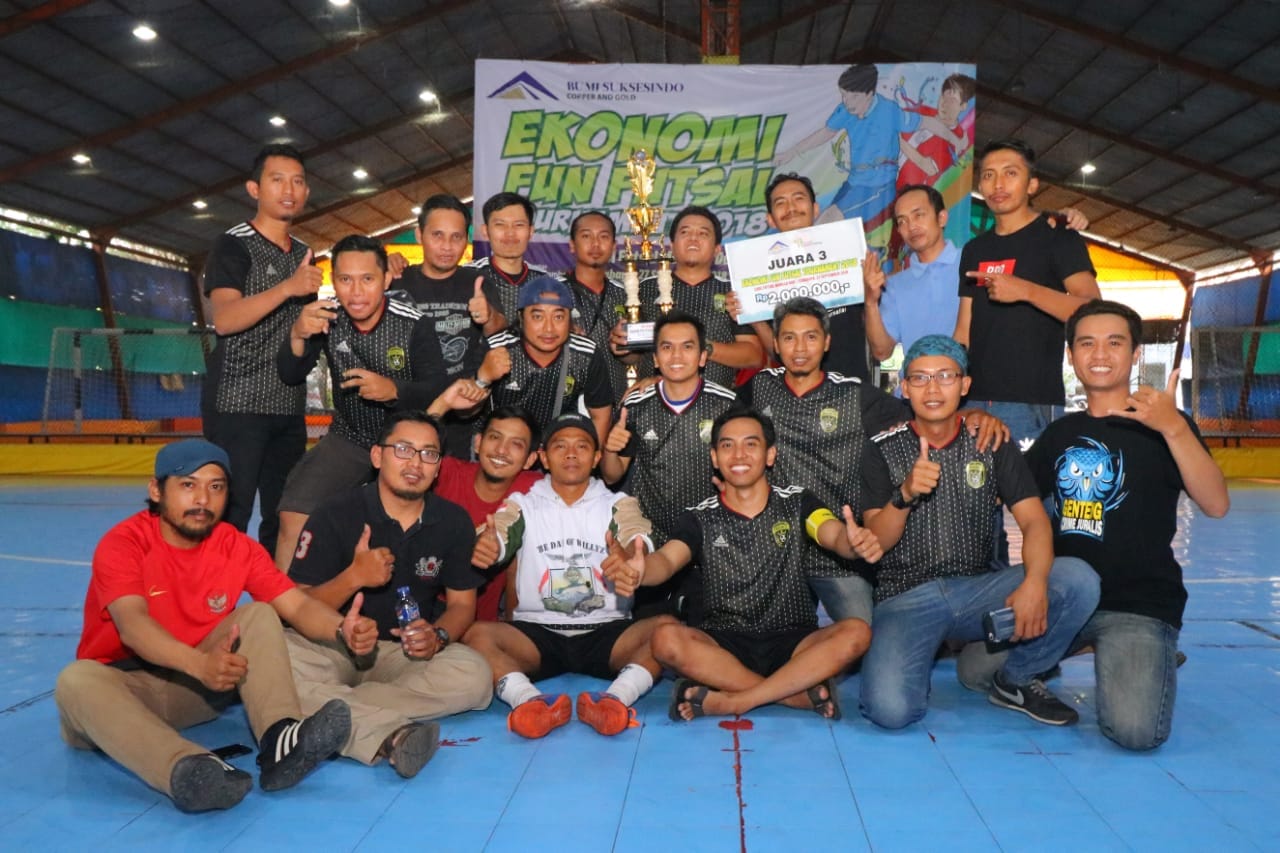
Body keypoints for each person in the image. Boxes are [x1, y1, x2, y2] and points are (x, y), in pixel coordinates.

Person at [54, 440, 378, 812]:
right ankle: (188, 768)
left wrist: (343, 629)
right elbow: (133, 626)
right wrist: (199, 664)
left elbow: (297, 604)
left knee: (258, 615)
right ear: (157, 490)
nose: (203, 499)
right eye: (188, 485)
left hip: (195, 693)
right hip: (120, 694)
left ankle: (280, 739)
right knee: (75, 680)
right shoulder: (123, 544)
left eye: (216, 487)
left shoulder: (236, 547)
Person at [961, 301, 1229, 749]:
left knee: (1134, 732)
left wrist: (1174, 429)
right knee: (974, 671)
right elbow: (1001, 494)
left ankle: (1138, 647)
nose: (1099, 353)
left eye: (1114, 342)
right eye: (1086, 343)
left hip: (1137, 604)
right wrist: (973, 418)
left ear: (1135, 354)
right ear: (1071, 356)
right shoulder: (1059, 435)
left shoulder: (1167, 426)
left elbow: (1216, 504)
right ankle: (1082, 643)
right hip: (1064, 600)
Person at [857, 335, 1099, 729]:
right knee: (891, 711)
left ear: (965, 385)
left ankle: (1016, 676)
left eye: (945, 377)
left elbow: (1035, 521)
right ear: (903, 387)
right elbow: (876, 542)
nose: (932, 389)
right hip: (906, 598)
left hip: (978, 592)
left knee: (1077, 578)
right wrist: (904, 495)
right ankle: (972, 659)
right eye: (919, 378)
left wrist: (1035, 581)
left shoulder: (992, 442)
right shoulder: (880, 449)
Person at [616, 407, 880, 721]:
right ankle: (792, 696)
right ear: (714, 457)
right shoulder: (699, 516)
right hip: (723, 644)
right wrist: (642, 570)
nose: (739, 454)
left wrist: (852, 543)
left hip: (794, 641)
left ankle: (736, 700)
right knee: (665, 639)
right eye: (727, 445)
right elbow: (668, 559)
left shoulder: (798, 503)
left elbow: (831, 533)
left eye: (751, 444)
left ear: (770, 455)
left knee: (858, 631)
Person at [285, 412, 494, 778]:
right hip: (331, 645)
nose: (415, 463)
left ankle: (331, 710)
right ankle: (386, 729)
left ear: (438, 467)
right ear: (378, 457)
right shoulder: (335, 513)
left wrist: (438, 636)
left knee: (474, 676)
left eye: (428, 454)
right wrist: (353, 577)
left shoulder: (453, 521)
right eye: (403, 450)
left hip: (403, 656)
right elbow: (297, 607)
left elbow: (462, 606)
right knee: (281, 658)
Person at [463, 413, 670, 738]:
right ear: (544, 457)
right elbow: (499, 530)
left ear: (597, 457)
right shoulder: (523, 504)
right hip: (537, 633)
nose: (571, 454)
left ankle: (613, 700)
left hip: (608, 631)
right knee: (477, 635)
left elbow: (635, 531)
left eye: (582, 446)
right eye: (560, 446)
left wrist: (632, 555)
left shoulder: (618, 503)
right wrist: (488, 543)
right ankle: (531, 702)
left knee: (666, 630)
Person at [274, 234, 451, 569]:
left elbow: (438, 386)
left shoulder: (413, 323)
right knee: (294, 512)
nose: (356, 292)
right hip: (350, 438)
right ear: (333, 281)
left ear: (385, 279)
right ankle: (286, 610)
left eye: (367, 279)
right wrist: (297, 334)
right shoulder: (327, 319)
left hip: (406, 444)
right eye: (345, 280)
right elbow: (291, 373)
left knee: (411, 531)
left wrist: (394, 390)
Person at [201, 144, 318, 554]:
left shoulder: (305, 252)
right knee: (230, 514)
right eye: (277, 179)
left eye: (298, 181)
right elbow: (225, 319)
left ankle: (273, 611)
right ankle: (213, 608)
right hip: (238, 403)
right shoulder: (232, 244)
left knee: (284, 515)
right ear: (254, 188)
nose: (290, 189)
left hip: (287, 407)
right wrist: (288, 288)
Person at [955, 139, 1102, 446]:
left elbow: (1094, 313)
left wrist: (1026, 291)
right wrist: (951, 386)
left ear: (1032, 184)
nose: (998, 184)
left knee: (1033, 493)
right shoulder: (974, 249)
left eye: (1010, 173)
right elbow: (964, 330)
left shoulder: (1059, 238)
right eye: (988, 174)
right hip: (974, 402)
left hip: (1032, 401)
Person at [600, 311, 738, 614]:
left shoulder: (727, 406)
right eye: (666, 347)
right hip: (653, 541)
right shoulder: (635, 406)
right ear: (656, 358)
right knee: (650, 637)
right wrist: (610, 450)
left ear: (703, 357)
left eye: (687, 347)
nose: (676, 355)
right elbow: (612, 477)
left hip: (711, 543)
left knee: (709, 640)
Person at [391, 193, 506, 454]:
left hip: (462, 414)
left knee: (452, 491)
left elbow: (501, 331)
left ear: (466, 240)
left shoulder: (476, 281)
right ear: (419, 236)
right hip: (406, 410)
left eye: (456, 237)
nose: (446, 246)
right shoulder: (397, 280)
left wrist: (488, 314)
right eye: (437, 235)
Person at [730, 173, 871, 381]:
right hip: (795, 394)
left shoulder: (848, 251)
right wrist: (753, 317)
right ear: (770, 219)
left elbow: (876, 335)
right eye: (781, 203)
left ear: (815, 209)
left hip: (852, 384)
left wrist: (871, 293)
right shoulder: (756, 272)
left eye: (798, 198)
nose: (791, 208)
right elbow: (775, 351)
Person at [621, 206, 762, 389]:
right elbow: (633, 355)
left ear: (717, 249)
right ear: (671, 245)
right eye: (685, 232)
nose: (693, 238)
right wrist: (621, 345)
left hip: (717, 402)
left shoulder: (732, 293)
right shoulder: (644, 289)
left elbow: (753, 356)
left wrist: (701, 347)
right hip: (654, 400)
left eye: (703, 234)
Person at [429, 405, 542, 621]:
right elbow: (408, 448)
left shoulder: (534, 488)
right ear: (478, 443)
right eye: (495, 437)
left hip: (479, 623)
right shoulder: (447, 472)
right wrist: (443, 402)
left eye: (516, 444)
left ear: (530, 460)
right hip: (421, 604)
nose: (501, 450)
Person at [775, 64, 920, 227]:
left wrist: (954, 139)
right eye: (844, 96)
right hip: (853, 182)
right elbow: (826, 133)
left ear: (869, 94)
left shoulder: (889, 110)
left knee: (827, 223)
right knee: (828, 225)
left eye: (853, 97)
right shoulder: (845, 110)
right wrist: (791, 152)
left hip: (879, 186)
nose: (847, 102)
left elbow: (925, 123)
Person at [483, 276, 614, 442]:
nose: (549, 328)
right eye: (538, 317)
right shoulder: (497, 349)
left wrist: (591, 460)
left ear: (570, 321)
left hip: (556, 451)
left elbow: (601, 415)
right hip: (504, 446)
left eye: (558, 317)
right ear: (521, 318)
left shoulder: (586, 353)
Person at [864, 184, 962, 364]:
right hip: (916, 386)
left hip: (969, 384)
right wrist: (870, 302)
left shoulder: (971, 263)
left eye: (918, 215)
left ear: (941, 218)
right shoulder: (894, 285)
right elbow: (881, 352)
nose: (911, 226)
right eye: (902, 221)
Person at [557, 210, 632, 401]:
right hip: (564, 398)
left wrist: (624, 347)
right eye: (586, 236)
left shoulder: (626, 296)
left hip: (613, 399)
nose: (595, 244)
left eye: (603, 237)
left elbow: (636, 358)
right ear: (572, 245)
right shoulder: (554, 292)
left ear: (614, 246)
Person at [465, 192, 548, 323]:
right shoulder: (466, 276)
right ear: (485, 231)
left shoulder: (546, 282)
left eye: (519, 225)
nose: (510, 233)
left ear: (531, 231)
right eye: (500, 224)